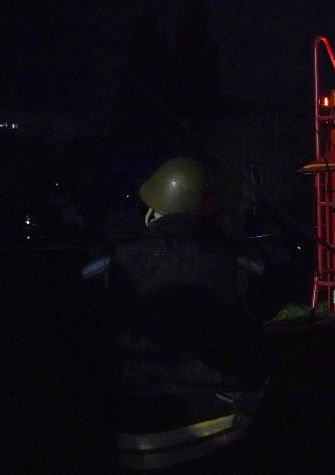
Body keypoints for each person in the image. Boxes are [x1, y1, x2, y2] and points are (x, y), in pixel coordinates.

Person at [81, 157, 268, 471]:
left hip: (135, 429)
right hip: (224, 424)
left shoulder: (108, 262)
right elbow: (262, 314)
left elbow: (82, 326)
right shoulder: (242, 261)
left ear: (153, 211)